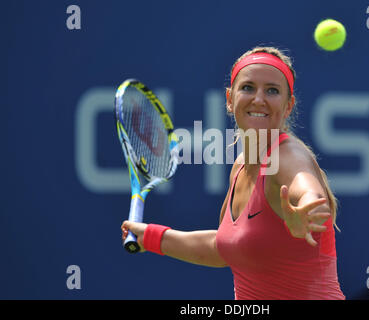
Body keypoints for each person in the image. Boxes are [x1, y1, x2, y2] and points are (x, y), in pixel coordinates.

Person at [121, 46, 345, 300]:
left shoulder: (287, 155)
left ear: (288, 106)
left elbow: (308, 189)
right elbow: (225, 248)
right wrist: (151, 236)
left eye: (272, 90)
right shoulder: (240, 166)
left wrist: (304, 210)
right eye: (248, 88)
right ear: (230, 99)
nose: (259, 99)